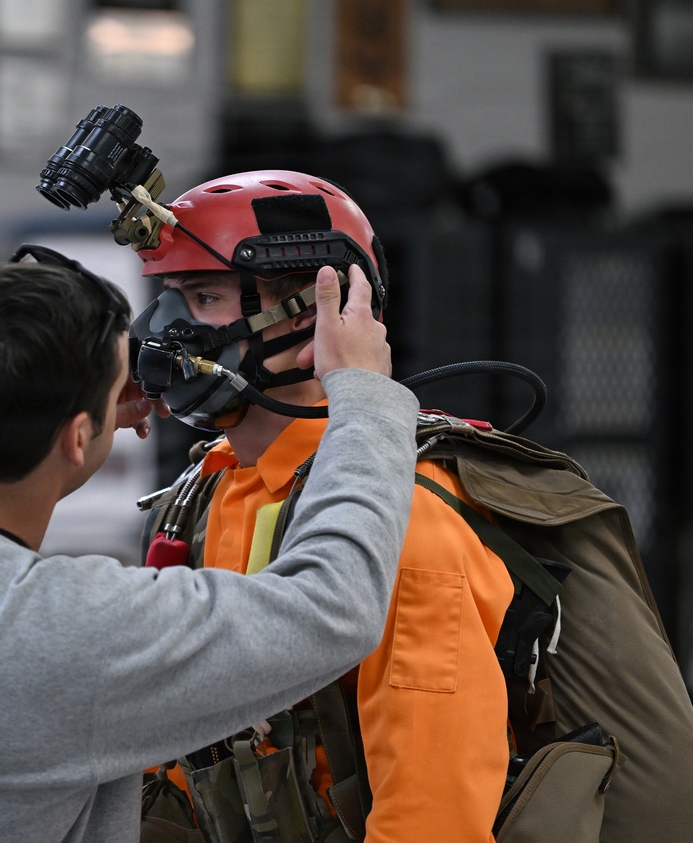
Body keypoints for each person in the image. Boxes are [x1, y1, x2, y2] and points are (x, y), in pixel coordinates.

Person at [0, 244, 419, 843]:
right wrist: (363, 395)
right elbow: (335, 605)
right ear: (78, 435)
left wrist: (73, 424)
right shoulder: (66, 636)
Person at [129, 171, 513, 842]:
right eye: (170, 297)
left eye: (205, 295)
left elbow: (434, 819)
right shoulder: (210, 488)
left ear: (311, 317)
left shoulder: (404, 519)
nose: (166, 330)